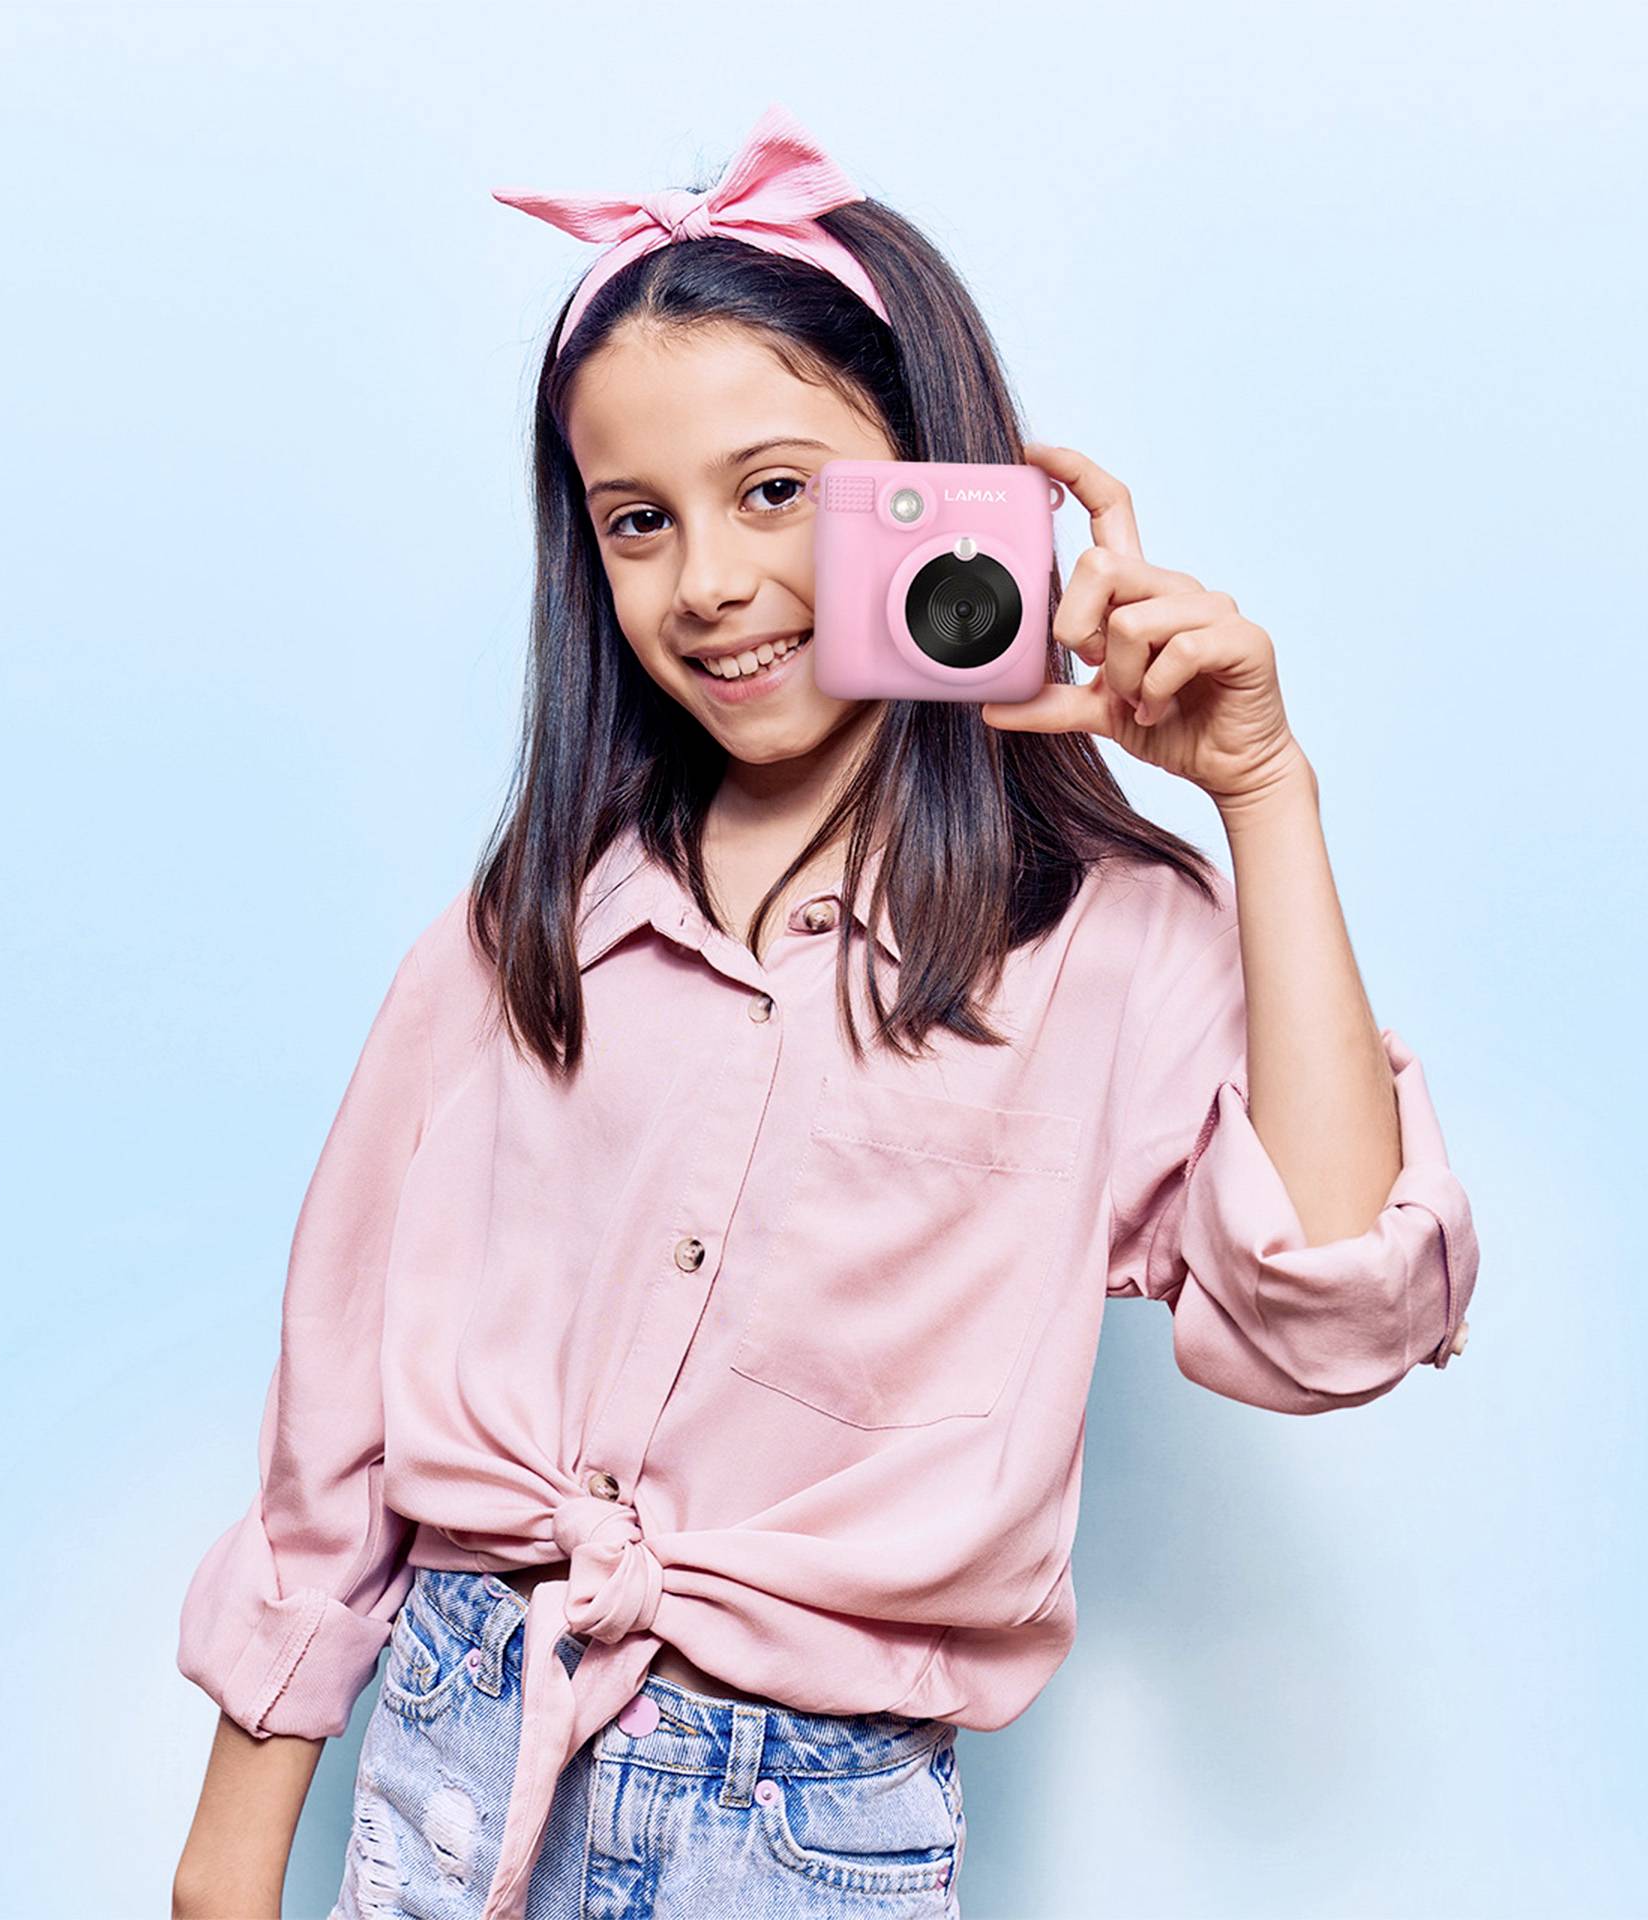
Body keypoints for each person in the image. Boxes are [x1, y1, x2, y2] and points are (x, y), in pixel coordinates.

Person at [169, 102, 1479, 1920]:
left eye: (773, 491)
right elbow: (337, 1408)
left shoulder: (1105, 941)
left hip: (801, 1829)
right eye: (640, 521)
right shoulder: (524, 933)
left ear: (937, 482)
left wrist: (1264, 800)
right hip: (459, 1748)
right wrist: (233, 1853)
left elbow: (1335, 1317)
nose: (708, 581)